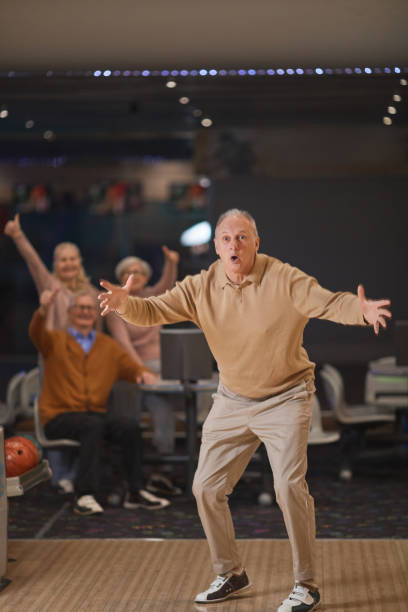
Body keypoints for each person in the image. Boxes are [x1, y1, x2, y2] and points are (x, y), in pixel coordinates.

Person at [98, 208, 391, 611]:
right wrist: (124, 304)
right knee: (206, 488)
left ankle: (306, 584)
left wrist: (361, 311)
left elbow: (329, 302)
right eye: (225, 238)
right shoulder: (200, 286)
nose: (234, 245)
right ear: (215, 246)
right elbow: (153, 312)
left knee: (288, 487)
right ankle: (231, 572)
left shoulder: (284, 278)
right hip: (233, 399)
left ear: (257, 242)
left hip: (286, 396)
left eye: (242, 237)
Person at [29, 288, 170, 515]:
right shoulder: (54, 341)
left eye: (90, 308)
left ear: (96, 314)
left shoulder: (108, 346)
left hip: (93, 416)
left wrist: (147, 375)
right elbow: (36, 332)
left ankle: (135, 491)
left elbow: (133, 369)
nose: (85, 312)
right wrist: (43, 309)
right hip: (58, 416)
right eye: (80, 308)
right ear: (70, 313)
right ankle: (84, 495)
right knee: (92, 425)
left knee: (129, 427)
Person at [106, 248, 179, 462]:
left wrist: (171, 263)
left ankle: (163, 455)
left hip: (160, 369)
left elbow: (167, 283)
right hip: (130, 369)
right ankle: (134, 458)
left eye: (138, 272)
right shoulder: (115, 305)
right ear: (120, 280)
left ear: (146, 278)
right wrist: (143, 371)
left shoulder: (152, 298)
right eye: (127, 273)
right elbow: (124, 344)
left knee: (160, 401)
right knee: (134, 409)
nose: (133, 276)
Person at [4, 212, 102, 331]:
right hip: (55, 348)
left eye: (72, 259)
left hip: (84, 349)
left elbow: (97, 331)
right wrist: (18, 235)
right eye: (63, 260)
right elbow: (34, 263)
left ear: (80, 262)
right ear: (55, 265)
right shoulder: (50, 285)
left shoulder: (92, 292)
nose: (68, 264)